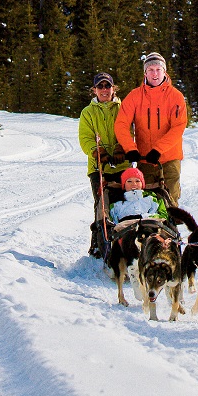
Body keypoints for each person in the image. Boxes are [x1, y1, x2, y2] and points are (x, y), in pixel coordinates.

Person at [114, 52, 187, 205]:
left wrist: (159, 149)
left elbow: (178, 127)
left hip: (170, 158)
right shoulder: (134, 96)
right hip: (145, 158)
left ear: (164, 71)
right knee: (146, 202)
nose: (155, 74)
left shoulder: (176, 97)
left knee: (170, 201)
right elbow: (121, 124)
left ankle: (170, 226)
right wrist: (130, 149)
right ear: (145, 72)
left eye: (158, 69)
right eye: (151, 70)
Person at [78, 72, 127, 257]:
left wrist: (122, 147)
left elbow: (129, 130)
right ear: (95, 90)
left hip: (122, 165)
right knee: (101, 204)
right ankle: (98, 244)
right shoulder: (87, 112)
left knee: (124, 202)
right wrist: (97, 151)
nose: (104, 90)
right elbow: (85, 137)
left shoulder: (123, 108)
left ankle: (123, 242)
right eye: (101, 86)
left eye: (108, 86)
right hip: (98, 167)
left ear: (113, 88)